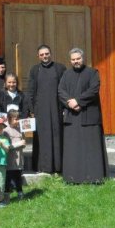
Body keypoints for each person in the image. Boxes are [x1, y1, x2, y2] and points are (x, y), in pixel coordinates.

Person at [58, 48, 109, 184]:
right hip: (72, 116)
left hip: (89, 116)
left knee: (90, 149)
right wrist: (70, 103)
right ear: (70, 60)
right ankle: (72, 178)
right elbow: (60, 90)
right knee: (73, 149)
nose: (76, 61)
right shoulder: (66, 74)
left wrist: (78, 101)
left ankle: (94, 177)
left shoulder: (93, 73)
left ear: (83, 58)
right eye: (73, 59)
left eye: (78, 59)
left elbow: (93, 90)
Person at [26, 44, 66, 173]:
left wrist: (65, 107)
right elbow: (31, 91)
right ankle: (43, 166)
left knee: (57, 136)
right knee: (42, 138)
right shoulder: (34, 70)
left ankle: (59, 166)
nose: (45, 56)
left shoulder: (60, 68)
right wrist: (31, 109)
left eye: (46, 53)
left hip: (56, 109)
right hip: (40, 111)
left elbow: (64, 89)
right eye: (42, 54)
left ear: (50, 53)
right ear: (38, 56)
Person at [3, 110, 26, 202]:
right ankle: (6, 195)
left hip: (19, 159)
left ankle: (20, 192)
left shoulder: (20, 129)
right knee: (8, 178)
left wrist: (23, 143)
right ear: (9, 119)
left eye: (18, 119)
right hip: (10, 159)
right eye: (15, 119)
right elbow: (7, 146)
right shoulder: (6, 131)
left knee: (18, 177)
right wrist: (19, 143)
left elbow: (23, 142)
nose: (17, 121)